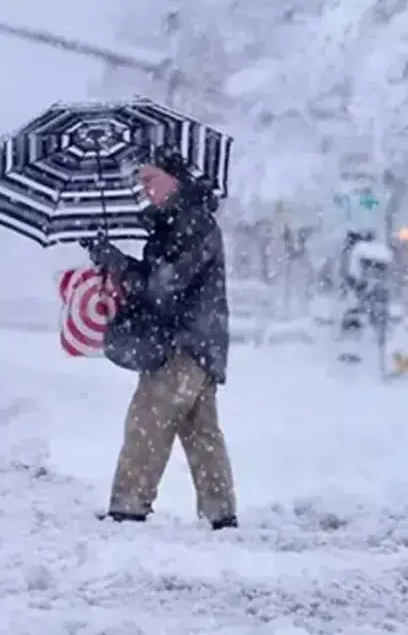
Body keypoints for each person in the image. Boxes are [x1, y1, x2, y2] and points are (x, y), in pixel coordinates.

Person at [83, 145, 237, 530]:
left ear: (175, 178)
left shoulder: (191, 224)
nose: (146, 189)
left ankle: (128, 508)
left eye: (152, 179)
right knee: (201, 433)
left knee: (147, 420)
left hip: (181, 344)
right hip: (200, 344)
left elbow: (164, 285)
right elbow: (159, 280)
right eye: (142, 182)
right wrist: (113, 259)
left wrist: (120, 264)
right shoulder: (178, 223)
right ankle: (220, 515)